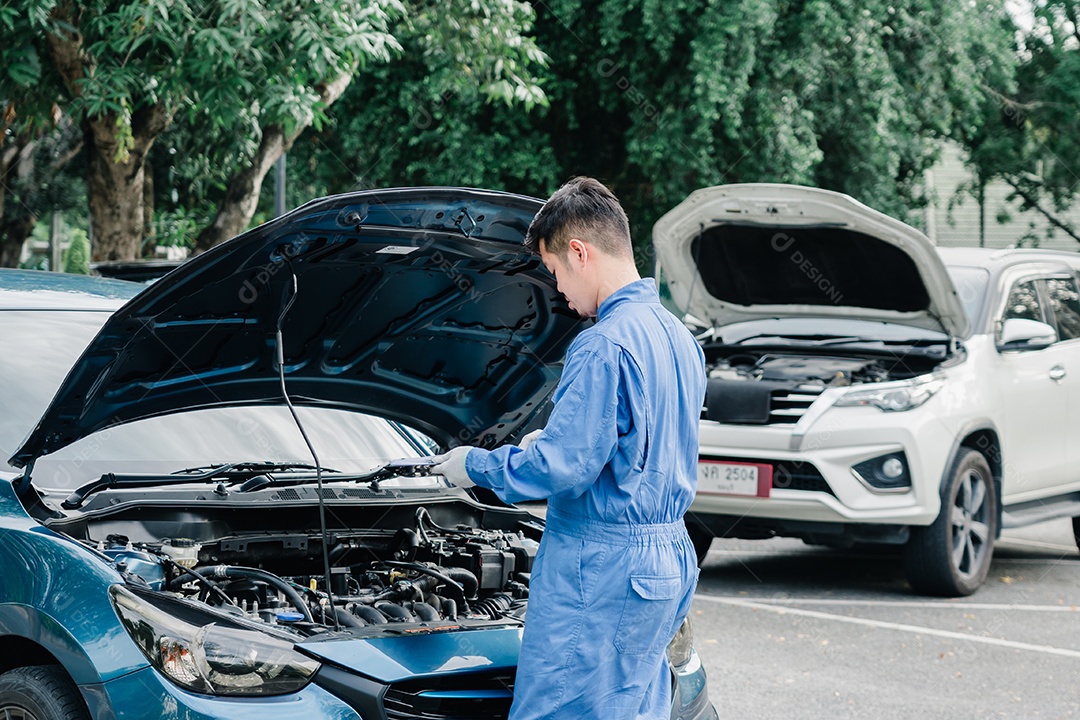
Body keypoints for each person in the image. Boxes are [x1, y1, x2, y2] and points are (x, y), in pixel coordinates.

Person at [431, 177, 706, 720]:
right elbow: (630, 446)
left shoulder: (603, 343)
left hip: (602, 563)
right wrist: (555, 441)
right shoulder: (679, 339)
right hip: (667, 558)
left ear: (579, 252)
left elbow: (563, 468)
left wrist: (474, 466)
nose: (557, 291)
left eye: (555, 272)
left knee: (558, 710)